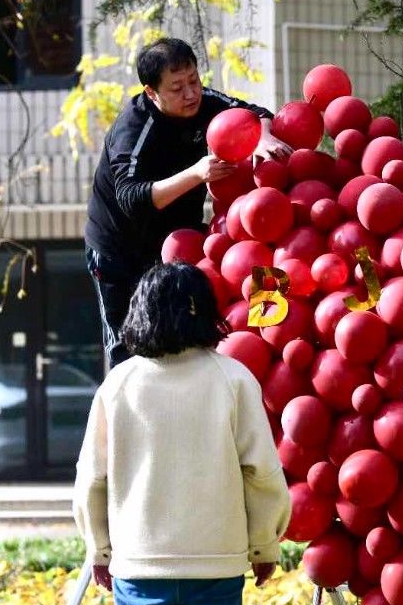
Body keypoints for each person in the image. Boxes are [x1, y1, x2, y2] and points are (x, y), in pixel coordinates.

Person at [72, 262, 291, 605]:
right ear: (204, 312)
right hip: (215, 564)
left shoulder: (119, 384)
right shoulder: (233, 379)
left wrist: (99, 549)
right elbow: (262, 474)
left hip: (138, 565)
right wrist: (264, 545)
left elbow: (92, 478)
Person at [85, 37, 291, 368]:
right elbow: (131, 198)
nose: (191, 94)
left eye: (193, 80)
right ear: (152, 93)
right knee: (128, 347)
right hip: (118, 252)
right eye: (177, 88)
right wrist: (196, 174)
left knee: (181, 335)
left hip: (177, 244)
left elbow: (255, 113)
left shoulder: (205, 103)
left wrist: (262, 137)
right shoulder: (134, 127)